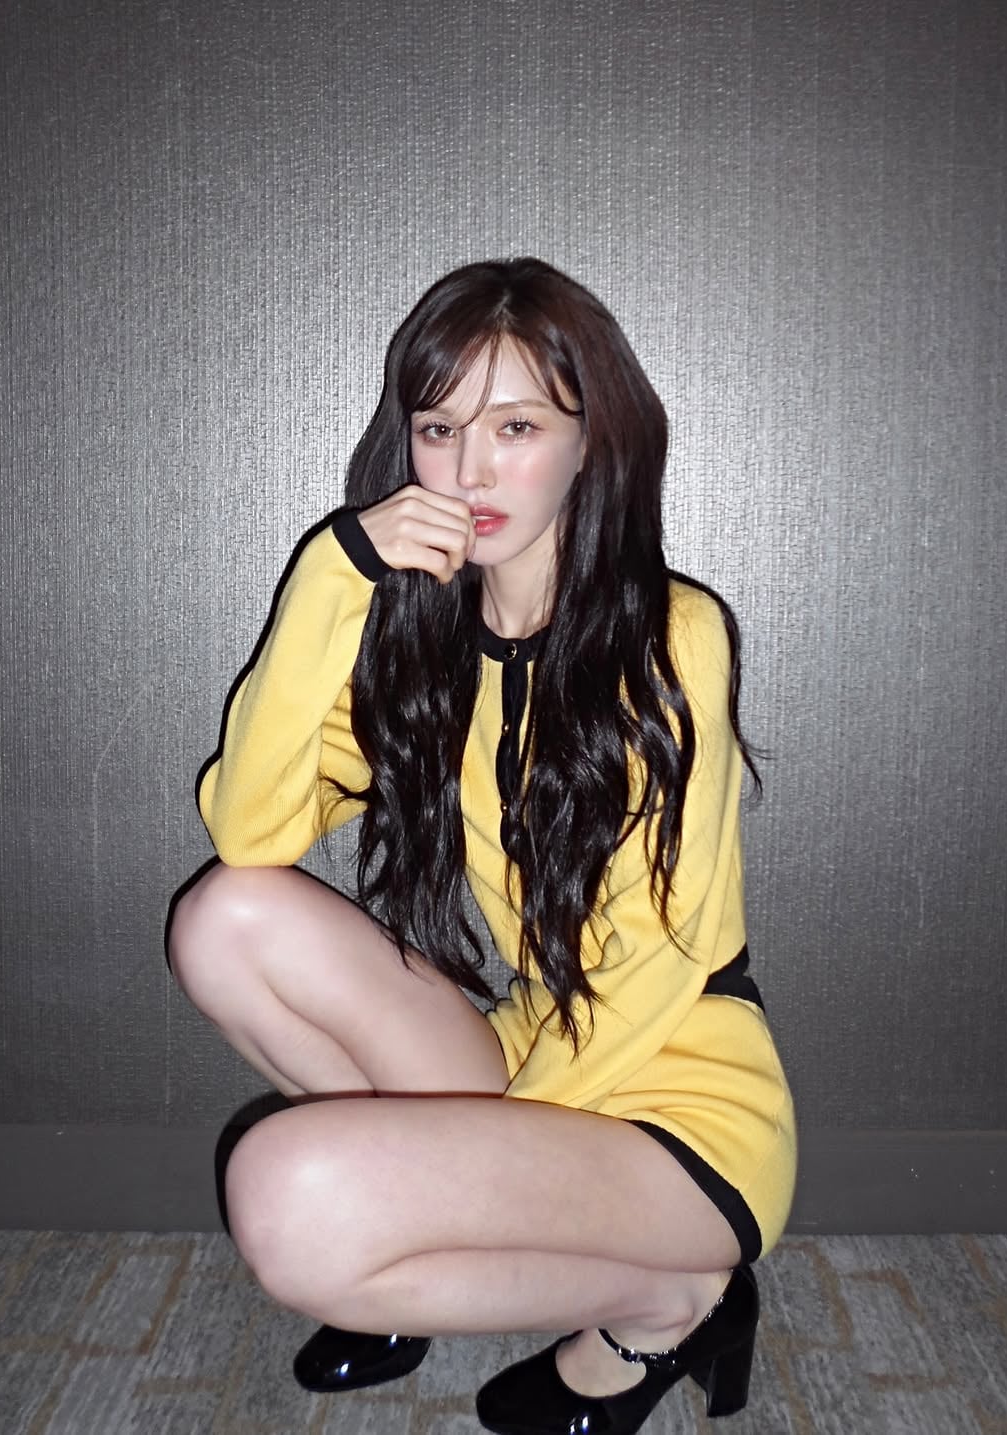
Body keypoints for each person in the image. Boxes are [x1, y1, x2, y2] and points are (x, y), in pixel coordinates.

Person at [168, 257, 797, 1434]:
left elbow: (655, 963)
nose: (468, 471)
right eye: (440, 428)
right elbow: (249, 828)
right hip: (533, 1047)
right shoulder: (427, 646)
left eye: (516, 427)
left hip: (680, 1102)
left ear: (588, 442)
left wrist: (466, 1145)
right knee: (222, 918)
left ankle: (674, 1300)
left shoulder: (672, 638)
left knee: (286, 1197)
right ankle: (472, 1244)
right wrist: (331, 573)